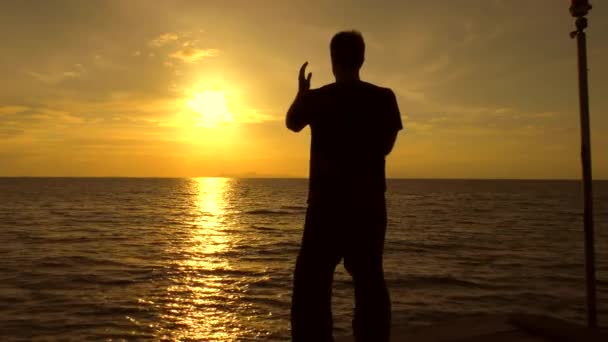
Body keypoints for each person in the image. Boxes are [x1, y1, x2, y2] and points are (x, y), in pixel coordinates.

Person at [286, 30, 403, 342]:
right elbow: (387, 146)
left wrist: (301, 93)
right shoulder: (384, 97)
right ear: (362, 58)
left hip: (324, 208)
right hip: (368, 207)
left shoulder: (318, 98)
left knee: (312, 285)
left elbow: (292, 122)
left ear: (332, 61)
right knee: (369, 283)